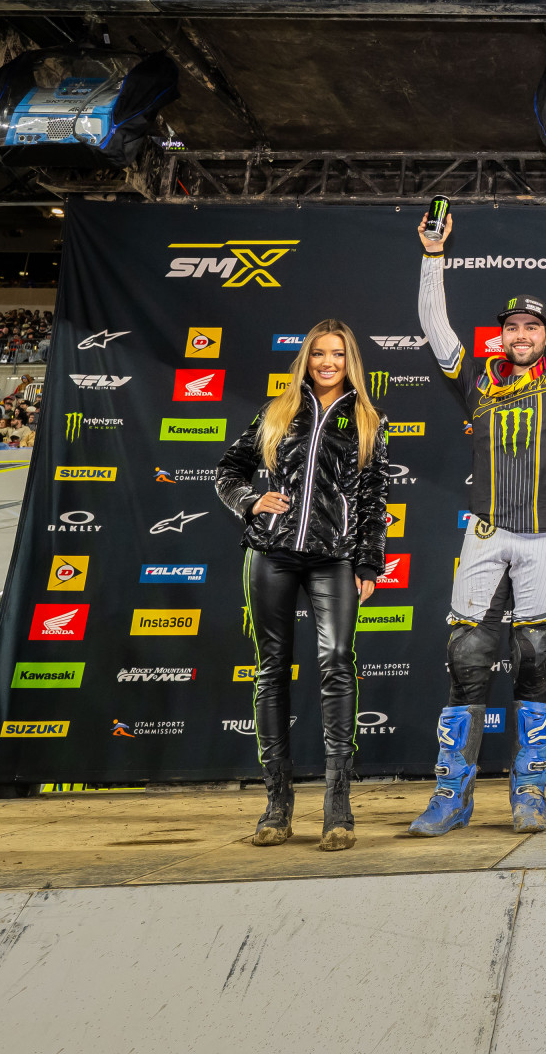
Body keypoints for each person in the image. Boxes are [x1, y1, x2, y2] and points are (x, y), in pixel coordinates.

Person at [408, 203, 546, 837]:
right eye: (512, 327)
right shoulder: (477, 380)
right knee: (467, 657)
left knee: (534, 658)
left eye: (532, 327)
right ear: (501, 336)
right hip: (485, 532)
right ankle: (452, 795)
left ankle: (530, 793)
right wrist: (433, 256)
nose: (521, 334)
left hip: (545, 537)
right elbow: (435, 326)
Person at [213, 323, 389, 849]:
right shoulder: (277, 411)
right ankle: (276, 805)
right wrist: (250, 502)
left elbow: (374, 498)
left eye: (337, 354)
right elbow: (228, 470)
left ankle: (337, 807)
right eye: (318, 354)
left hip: (334, 558)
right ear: (305, 360)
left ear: (350, 360)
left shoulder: (368, 418)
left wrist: (368, 563)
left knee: (336, 661)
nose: (327, 362)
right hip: (271, 554)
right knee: (272, 669)